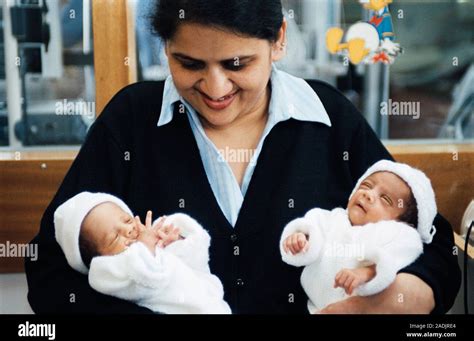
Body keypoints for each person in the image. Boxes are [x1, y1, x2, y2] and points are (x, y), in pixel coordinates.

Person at [25, 0, 460, 314]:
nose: (215, 89)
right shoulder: (131, 122)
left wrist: (388, 299)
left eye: (237, 64)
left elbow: (434, 244)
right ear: (165, 49)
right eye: (189, 63)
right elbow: (47, 270)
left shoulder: (328, 120)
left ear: (279, 40)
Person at [281, 160, 436, 313]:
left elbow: (392, 262)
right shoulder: (331, 219)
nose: (368, 194)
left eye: (385, 199)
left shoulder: (396, 234)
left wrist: (366, 273)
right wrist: (300, 239)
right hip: (315, 307)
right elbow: (310, 229)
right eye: (366, 185)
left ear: (403, 223)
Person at [54, 192, 231, 314]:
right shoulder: (106, 272)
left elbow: (197, 265)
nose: (128, 230)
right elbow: (145, 280)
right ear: (97, 258)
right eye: (115, 237)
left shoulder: (151, 244)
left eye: (127, 220)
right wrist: (147, 247)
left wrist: (176, 244)